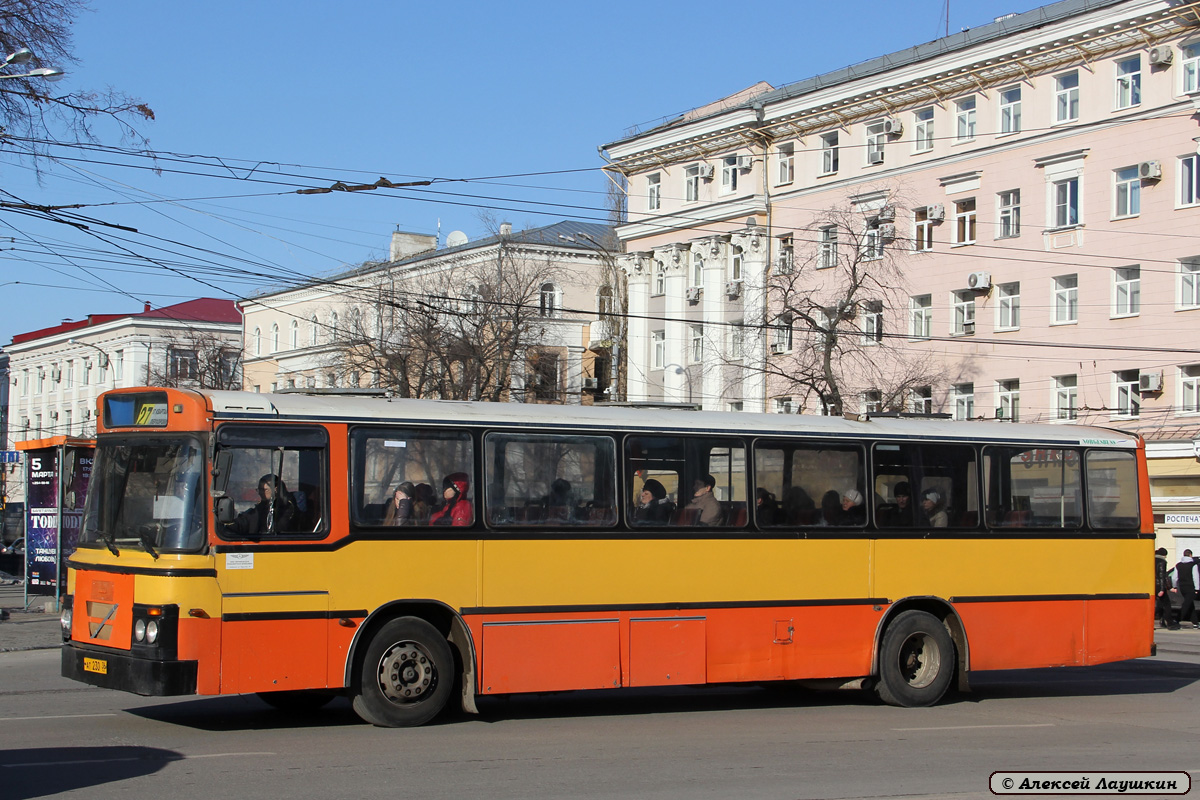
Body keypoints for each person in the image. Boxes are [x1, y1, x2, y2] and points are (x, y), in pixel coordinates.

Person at [226, 473, 295, 536]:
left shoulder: (286, 508)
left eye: (264, 490)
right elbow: (248, 519)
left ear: (275, 489)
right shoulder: (261, 507)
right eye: (259, 490)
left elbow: (281, 528)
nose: (260, 493)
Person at [1174, 549, 1199, 629]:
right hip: (1190, 587)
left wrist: (1174, 586)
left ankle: (1195, 623)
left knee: (1190, 605)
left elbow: (1175, 578)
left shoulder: (1178, 565)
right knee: (1186, 604)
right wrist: (1197, 588)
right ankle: (1177, 620)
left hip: (1182, 587)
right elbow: (1195, 577)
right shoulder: (1193, 565)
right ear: (1190, 555)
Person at [1155, 547, 1178, 630]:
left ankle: (1160, 621)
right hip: (1159, 586)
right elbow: (1162, 576)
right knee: (1167, 604)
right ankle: (1170, 623)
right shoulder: (1162, 562)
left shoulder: (1151, 559)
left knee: (1159, 604)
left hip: (1152, 585)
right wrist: (1162, 589)